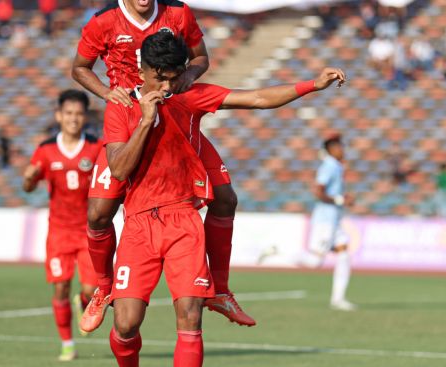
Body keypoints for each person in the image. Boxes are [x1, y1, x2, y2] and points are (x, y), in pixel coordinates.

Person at [103, 31, 346, 367]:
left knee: (190, 317)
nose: (168, 87)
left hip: (184, 219)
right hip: (139, 224)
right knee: (126, 324)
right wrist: (145, 122)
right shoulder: (120, 107)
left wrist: (311, 85)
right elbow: (118, 170)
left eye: (174, 78)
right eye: (161, 79)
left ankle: (221, 290)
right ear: (143, 70)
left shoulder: (188, 97)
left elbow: (258, 98)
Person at [72, 0, 254, 331]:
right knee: (98, 213)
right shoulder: (104, 21)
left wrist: (187, 76)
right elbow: (79, 68)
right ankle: (103, 288)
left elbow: (201, 58)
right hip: (130, 119)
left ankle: (222, 291)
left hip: (176, 116)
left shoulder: (178, 13)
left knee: (226, 199)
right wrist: (107, 93)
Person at [22, 90, 102, 362]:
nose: (73, 119)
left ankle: (85, 304)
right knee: (60, 288)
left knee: (92, 291)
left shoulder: (96, 147)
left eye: (79, 114)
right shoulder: (45, 150)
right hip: (59, 232)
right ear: (59, 116)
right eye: (68, 113)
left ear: (85, 117)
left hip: (90, 232)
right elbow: (29, 186)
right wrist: (29, 178)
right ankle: (67, 343)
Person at [296, 134, 356, 311]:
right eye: (338, 147)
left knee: (344, 252)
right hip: (325, 221)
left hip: (334, 220)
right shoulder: (329, 166)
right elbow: (318, 191)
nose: (342, 150)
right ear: (330, 150)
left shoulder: (336, 166)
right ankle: (276, 253)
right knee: (315, 262)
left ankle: (338, 299)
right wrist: (339, 199)